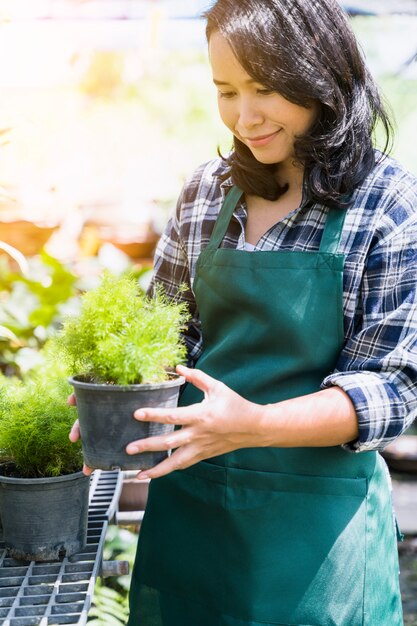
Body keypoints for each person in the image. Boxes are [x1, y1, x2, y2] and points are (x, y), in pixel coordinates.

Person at [71, 0, 417, 623]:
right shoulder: (208, 192)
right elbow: (168, 332)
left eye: (265, 88)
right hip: (192, 518)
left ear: (321, 77)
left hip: (318, 544)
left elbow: (393, 390)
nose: (244, 116)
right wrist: (117, 398)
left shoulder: (386, 203)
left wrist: (251, 424)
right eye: (226, 91)